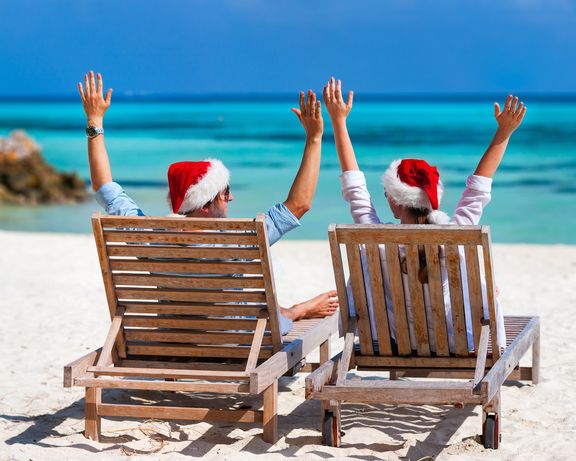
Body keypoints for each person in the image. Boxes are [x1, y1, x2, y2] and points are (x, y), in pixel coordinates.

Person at [78, 71, 338, 333]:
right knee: (265, 313)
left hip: (173, 340)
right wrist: (314, 138)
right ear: (204, 205)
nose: (231, 197)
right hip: (232, 344)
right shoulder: (241, 240)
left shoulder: (150, 237)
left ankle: (292, 310)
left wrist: (94, 119)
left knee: (255, 306)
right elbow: (300, 204)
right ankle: (296, 311)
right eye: (225, 193)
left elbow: (104, 188)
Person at [323, 76, 526, 353]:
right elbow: (478, 190)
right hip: (455, 345)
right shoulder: (455, 237)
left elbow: (355, 188)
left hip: (394, 343)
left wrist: (338, 122)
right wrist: (504, 133)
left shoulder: (377, 242)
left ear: (394, 201)